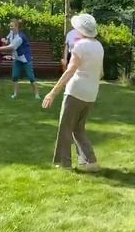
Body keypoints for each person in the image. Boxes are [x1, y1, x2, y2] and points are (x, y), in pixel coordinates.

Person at [43, 13, 104, 172]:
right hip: (91, 93)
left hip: (76, 91)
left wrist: (52, 93)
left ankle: (64, 164)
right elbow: (101, 73)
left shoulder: (80, 46)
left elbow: (70, 71)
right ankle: (90, 161)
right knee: (78, 128)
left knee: (65, 128)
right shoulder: (98, 46)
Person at [0, 19, 41, 99]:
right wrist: (5, 41)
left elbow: (11, 47)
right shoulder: (11, 33)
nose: (10, 28)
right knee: (15, 76)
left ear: (17, 27)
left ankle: (37, 94)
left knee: (31, 77)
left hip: (25, 59)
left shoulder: (20, 37)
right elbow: (8, 41)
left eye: (12, 26)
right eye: (10, 26)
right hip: (17, 59)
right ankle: (15, 94)